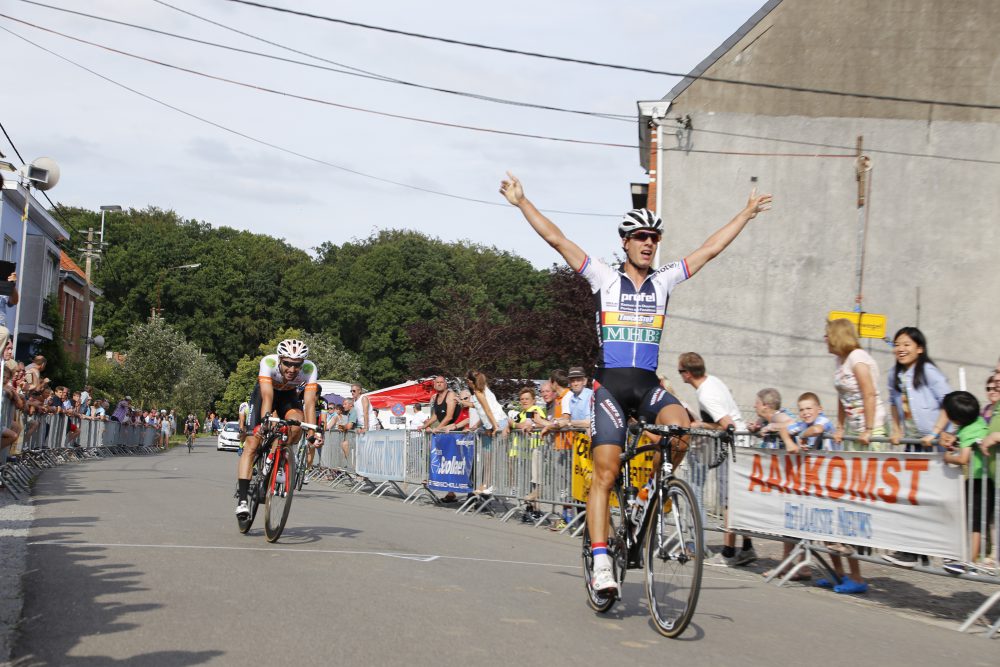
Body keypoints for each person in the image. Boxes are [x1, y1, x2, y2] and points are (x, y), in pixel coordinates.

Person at [501, 171, 771, 594]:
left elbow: (710, 250)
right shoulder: (604, 279)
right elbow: (558, 240)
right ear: (625, 242)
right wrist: (522, 202)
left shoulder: (664, 281)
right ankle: (603, 560)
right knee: (605, 476)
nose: (649, 243)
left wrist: (746, 213)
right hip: (609, 388)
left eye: (654, 238)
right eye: (641, 236)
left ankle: (648, 494)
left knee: (680, 425)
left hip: (646, 386)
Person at [824, 317, 887, 593]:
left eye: (827, 335)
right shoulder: (840, 362)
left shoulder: (858, 357)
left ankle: (858, 576)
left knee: (858, 501)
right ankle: (846, 574)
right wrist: (840, 426)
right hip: (853, 431)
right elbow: (842, 396)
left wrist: (870, 429)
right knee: (844, 502)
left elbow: (869, 393)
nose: (824, 339)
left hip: (869, 433)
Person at [678, 352, 756, 568]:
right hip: (739, 444)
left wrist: (699, 425)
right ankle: (747, 548)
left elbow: (727, 425)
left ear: (688, 373)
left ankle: (729, 553)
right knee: (734, 499)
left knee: (728, 500)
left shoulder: (706, 394)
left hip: (733, 446)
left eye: (680, 371)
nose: (680, 376)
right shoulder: (713, 382)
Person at [235, 338, 323, 519]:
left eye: (297, 365)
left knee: (297, 423)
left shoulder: (309, 369)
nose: (292, 369)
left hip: (288, 397)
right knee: (252, 443)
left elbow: (309, 403)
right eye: (288, 364)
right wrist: (265, 421)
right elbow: (267, 397)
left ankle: (280, 460)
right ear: (280, 359)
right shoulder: (268, 362)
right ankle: (243, 501)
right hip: (265, 395)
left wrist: (313, 432)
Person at [941, 391, 996, 575]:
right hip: (981, 479)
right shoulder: (978, 422)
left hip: (979, 481)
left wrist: (948, 457)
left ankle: (970, 562)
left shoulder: (967, 430)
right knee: (974, 522)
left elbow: (963, 458)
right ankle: (966, 558)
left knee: (975, 524)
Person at [887, 327, 951, 451]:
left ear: (920, 349)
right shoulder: (893, 373)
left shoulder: (928, 370)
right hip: (913, 441)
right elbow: (893, 403)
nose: (901, 349)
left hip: (937, 442)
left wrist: (934, 433)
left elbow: (949, 403)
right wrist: (896, 430)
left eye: (906, 345)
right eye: (897, 345)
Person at [466, 369, 509, 496]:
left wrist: (495, 426)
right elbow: (482, 410)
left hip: (497, 422)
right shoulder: (483, 388)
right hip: (491, 424)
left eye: (467, 380)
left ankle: (489, 484)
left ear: (470, 381)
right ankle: (486, 484)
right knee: (488, 457)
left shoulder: (479, 392)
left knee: (493, 457)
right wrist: (477, 425)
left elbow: (488, 410)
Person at [0, 269, 19, 350]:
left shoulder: (2, 286)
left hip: (0, 325)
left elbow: (14, 301)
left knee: (5, 333)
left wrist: (12, 285)